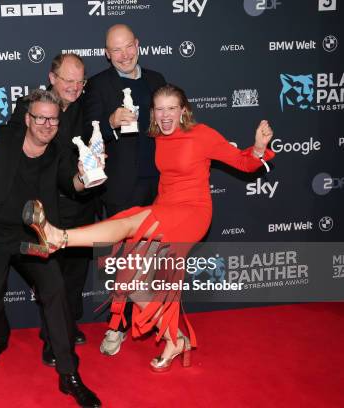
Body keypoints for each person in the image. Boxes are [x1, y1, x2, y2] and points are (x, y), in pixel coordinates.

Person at [20, 84, 275, 372]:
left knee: (129, 221)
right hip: (165, 209)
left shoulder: (201, 134)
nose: (165, 115)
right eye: (159, 109)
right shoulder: (158, 136)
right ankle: (174, 339)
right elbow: (167, 182)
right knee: (133, 282)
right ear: (152, 112)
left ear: (183, 111)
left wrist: (258, 148)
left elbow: (244, 162)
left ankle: (59, 237)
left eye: (171, 109)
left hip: (193, 213)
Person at [0, 89, 101, 407]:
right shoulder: (0, 139)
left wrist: (87, 176)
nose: (46, 125)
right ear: (27, 118)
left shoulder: (60, 151)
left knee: (55, 291)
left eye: (53, 119)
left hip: (33, 239)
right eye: (40, 117)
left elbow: (72, 184)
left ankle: (69, 375)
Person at [6, 53, 97, 364]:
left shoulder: (87, 106)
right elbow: (13, 147)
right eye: (67, 80)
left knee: (75, 275)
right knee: (51, 278)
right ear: (52, 78)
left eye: (79, 81)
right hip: (48, 210)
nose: (74, 87)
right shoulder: (29, 108)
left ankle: (68, 325)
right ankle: (52, 339)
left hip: (82, 201)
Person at [83, 24, 167, 353]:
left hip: (160, 186)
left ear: (138, 44)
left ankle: (150, 317)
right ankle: (116, 324)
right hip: (120, 189)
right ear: (107, 54)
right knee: (123, 260)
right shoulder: (99, 85)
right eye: (116, 50)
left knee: (151, 261)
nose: (124, 54)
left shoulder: (157, 80)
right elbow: (89, 136)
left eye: (128, 46)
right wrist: (110, 123)